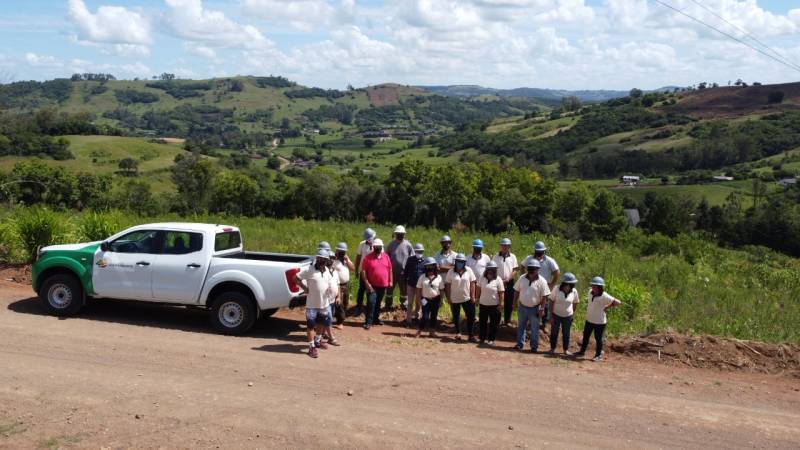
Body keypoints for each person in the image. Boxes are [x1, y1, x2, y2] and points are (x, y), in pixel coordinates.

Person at [296, 249, 335, 358]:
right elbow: (296, 278)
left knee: (322, 323)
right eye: (320, 258)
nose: (321, 261)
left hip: (324, 304)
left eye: (324, 259)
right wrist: (304, 288)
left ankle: (317, 340)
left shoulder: (327, 270)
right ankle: (311, 347)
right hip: (312, 305)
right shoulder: (309, 270)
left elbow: (330, 284)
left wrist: (331, 290)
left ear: (326, 260)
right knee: (311, 326)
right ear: (316, 259)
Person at [575, 277, 621, 362]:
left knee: (598, 339)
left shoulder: (604, 296)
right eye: (592, 285)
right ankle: (582, 352)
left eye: (595, 286)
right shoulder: (590, 292)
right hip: (589, 319)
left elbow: (618, 302)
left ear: (600, 287)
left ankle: (598, 355)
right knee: (585, 336)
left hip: (599, 322)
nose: (593, 287)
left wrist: (607, 306)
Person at [512, 259, 550, 352]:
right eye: (530, 268)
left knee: (534, 329)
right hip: (522, 306)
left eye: (534, 268)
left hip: (535, 308)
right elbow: (517, 290)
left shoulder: (542, 281)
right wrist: (514, 303)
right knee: (521, 326)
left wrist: (542, 309)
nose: (532, 270)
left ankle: (534, 347)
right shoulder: (522, 278)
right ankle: (520, 344)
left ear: (538, 269)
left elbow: (545, 296)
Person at [522, 241, 560, 333]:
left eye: (541, 251)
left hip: (544, 286)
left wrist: (552, 284)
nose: (539, 253)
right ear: (535, 251)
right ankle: (530, 322)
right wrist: (525, 277)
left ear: (544, 251)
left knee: (545, 305)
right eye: (538, 251)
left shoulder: (549, 261)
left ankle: (544, 324)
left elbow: (557, 272)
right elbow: (522, 266)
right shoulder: (529, 258)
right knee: (532, 303)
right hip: (532, 284)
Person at [360, 238, 393, 330]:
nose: (377, 248)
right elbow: (363, 271)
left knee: (378, 303)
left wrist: (391, 281)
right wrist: (367, 284)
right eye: (376, 247)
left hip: (383, 285)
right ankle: (368, 322)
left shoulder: (386, 257)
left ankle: (375, 319)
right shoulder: (367, 258)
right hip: (372, 285)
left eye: (379, 247)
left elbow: (390, 269)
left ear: (381, 247)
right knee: (371, 302)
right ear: (373, 247)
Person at [445, 253, 477, 342]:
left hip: (467, 298)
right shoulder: (450, 272)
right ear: (455, 262)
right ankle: (458, 333)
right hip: (454, 298)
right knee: (456, 316)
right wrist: (448, 297)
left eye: (462, 262)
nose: (460, 263)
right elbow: (447, 285)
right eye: (458, 261)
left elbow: (473, 283)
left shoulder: (469, 270)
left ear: (464, 262)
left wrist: (473, 296)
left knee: (471, 316)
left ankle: (471, 335)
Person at [549, 272, 579, 355]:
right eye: (569, 283)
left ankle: (565, 350)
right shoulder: (556, 289)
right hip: (556, 314)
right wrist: (551, 315)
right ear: (565, 283)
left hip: (568, 316)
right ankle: (552, 348)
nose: (570, 285)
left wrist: (572, 313)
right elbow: (551, 301)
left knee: (566, 333)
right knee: (554, 332)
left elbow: (575, 302)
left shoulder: (574, 291)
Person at [476, 260, 504, 347]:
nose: (491, 270)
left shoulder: (498, 279)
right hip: (483, 304)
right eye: (489, 269)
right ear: (487, 269)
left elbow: (501, 292)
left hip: (494, 306)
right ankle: (482, 338)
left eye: (493, 269)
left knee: (494, 324)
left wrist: (501, 303)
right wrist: (477, 299)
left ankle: (491, 340)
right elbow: (478, 288)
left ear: (495, 270)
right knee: (482, 322)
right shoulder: (482, 278)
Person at [415, 257, 444, 338]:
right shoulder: (422, 277)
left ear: (435, 267)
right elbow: (418, 289)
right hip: (425, 299)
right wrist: (418, 300)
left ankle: (432, 331)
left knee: (434, 316)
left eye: (432, 266)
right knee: (425, 317)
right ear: (425, 267)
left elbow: (441, 290)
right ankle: (419, 331)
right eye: (428, 266)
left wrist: (442, 300)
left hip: (436, 299)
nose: (430, 268)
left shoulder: (439, 277)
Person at [387, 225, 413, 310]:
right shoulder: (391, 245)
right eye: (398, 233)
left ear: (404, 234)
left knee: (404, 290)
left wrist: (409, 271)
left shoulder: (408, 245)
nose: (400, 235)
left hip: (403, 273)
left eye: (402, 234)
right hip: (392, 272)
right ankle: (388, 304)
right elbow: (386, 258)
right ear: (395, 234)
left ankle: (404, 304)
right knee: (390, 289)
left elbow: (412, 258)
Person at [493, 238, 519, 327]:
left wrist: (508, 279)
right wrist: (499, 280)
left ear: (509, 246)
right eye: (503, 245)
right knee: (498, 301)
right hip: (498, 282)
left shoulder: (513, 256)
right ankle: (497, 319)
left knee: (509, 301)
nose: (505, 247)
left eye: (507, 246)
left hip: (509, 282)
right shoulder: (496, 256)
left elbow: (515, 270)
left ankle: (507, 320)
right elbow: (493, 269)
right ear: (501, 246)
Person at [353, 228, 376, 317]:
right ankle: (358, 307)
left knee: (371, 290)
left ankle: (369, 308)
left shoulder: (377, 244)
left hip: (373, 272)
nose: (370, 240)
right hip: (363, 271)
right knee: (361, 289)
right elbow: (358, 257)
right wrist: (356, 270)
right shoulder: (362, 244)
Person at [332, 242, 355, 329]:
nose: (342, 253)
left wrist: (347, 260)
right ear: (337, 251)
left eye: (343, 251)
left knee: (345, 303)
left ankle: (341, 318)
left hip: (346, 284)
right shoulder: (334, 260)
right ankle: (340, 322)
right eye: (340, 251)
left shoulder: (346, 260)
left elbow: (353, 269)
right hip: (338, 285)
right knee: (339, 303)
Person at [403, 243, 426, 327]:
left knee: (418, 303)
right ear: (414, 251)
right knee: (410, 303)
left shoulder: (425, 261)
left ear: (423, 251)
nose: (419, 253)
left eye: (420, 251)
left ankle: (417, 318)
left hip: (420, 287)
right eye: (417, 251)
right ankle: (408, 320)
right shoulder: (410, 259)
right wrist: (405, 284)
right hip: (410, 285)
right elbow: (406, 272)